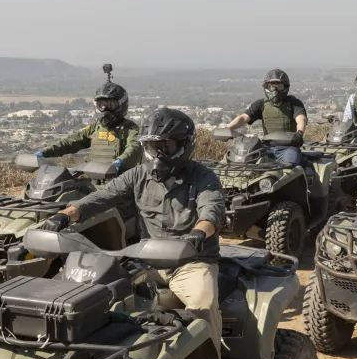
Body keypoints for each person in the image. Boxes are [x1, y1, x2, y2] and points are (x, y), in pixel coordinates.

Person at [37, 108, 225, 336]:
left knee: (203, 309)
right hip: (148, 260)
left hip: (191, 262)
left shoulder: (203, 178)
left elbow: (211, 212)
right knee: (98, 297)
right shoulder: (139, 174)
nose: (158, 155)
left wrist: (198, 234)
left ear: (185, 145)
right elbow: (101, 197)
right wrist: (66, 215)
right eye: (153, 147)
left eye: (166, 147)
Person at [36, 71, 140, 174]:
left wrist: (120, 162)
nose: (105, 109)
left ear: (121, 104)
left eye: (111, 105)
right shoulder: (95, 128)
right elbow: (71, 141)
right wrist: (45, 152)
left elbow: (133, 148)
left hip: (120, 181)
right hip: (94, 178)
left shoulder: (130, 128)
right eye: (102, 105)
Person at [228, 69, 309, 166]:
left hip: (288, 148)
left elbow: (301, 118)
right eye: (271, 86)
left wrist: (299, 133)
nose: (275, 89)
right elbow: (243, 118)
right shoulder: (261, 104)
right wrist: (228, 128)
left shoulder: (294, 103)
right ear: (266, 87)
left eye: (279, 85)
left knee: (290, 166)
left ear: (285, 87)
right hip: (266, 148)